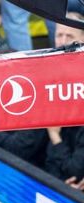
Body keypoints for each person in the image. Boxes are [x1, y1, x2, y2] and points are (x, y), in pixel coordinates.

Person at [45, 13, 84, 189]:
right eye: (59, 35)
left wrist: (54, 135)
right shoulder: (44, 76)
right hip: (47, 177)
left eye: (70, 36)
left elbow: (74, 169)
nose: (63, 41)